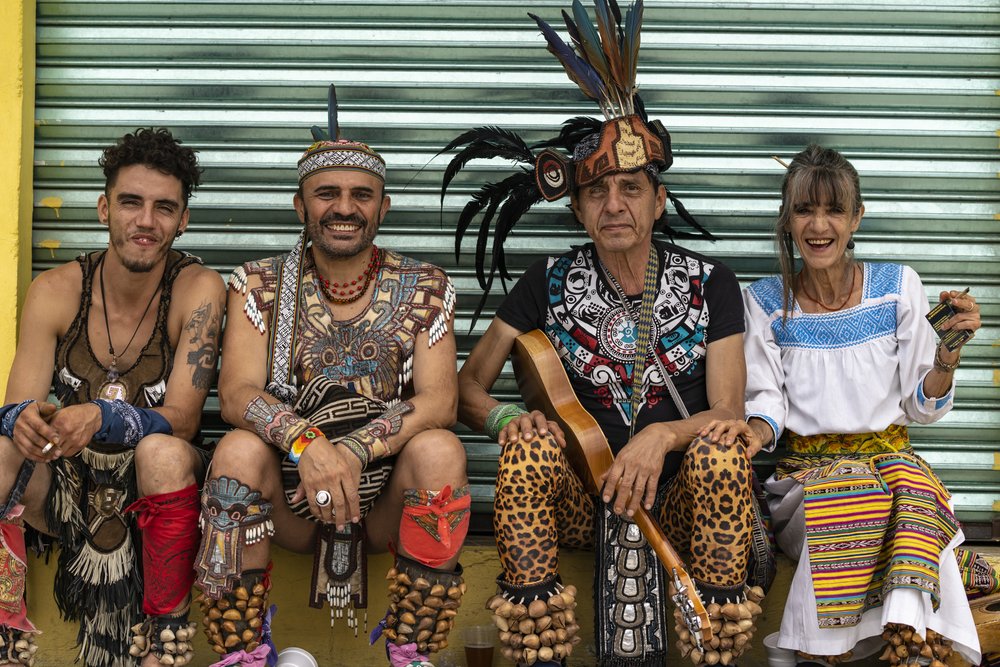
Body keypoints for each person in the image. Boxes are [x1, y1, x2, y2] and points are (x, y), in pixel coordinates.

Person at [441, 5, 764, 666]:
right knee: (524, 456)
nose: (614, 204)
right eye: (599, 193)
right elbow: (467, 388)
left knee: (722, 454)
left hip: (676, 504)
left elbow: (728, 412)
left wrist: (659, 435)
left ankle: (715, 647)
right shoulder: (546, 280)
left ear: (658, 202)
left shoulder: (712, 281)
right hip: (580, 504)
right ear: (580, 207)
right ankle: (540, 651)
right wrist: (506, 416)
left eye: (630, 188)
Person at [194, 87, 469, 667]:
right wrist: (308, 444)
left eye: (361, 195)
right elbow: (237, 394)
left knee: (442, 450)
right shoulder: (257, 285)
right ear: (300, 206)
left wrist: (350, 452)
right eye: (327, 194)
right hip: (292, 510)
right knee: (237, 452)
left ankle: (411, 650)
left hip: (384, 509)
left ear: (383, 207)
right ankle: (244, 654)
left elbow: (440, 401)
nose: (344, 208)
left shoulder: (425, 286)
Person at [702, 144, 989, 666]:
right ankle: (829, 651)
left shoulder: (898, 288)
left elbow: (920, 405)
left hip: (893, 467)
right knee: (858, 493)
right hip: (805, 483)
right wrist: (756, 433)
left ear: (856, 217)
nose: (819, 225)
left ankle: (913, 647)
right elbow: (767, 400)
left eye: (834, 209)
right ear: (787, 219)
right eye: (804, 209)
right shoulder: (765, 302)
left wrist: (945, 359)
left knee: (915, 497)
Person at [0, 127, 225, 667]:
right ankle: (8, 640)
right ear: (104, 209)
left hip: (160, 491)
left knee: (163, 452)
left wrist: (101, 414)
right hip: (73, 494)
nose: (146, 221)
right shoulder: (53, 291)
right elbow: (14, 410)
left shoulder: (198, 290)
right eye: (131, 202)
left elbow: (186, 421)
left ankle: (163, 645)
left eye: (164, 207)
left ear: (183, 220)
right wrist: (27, 421)